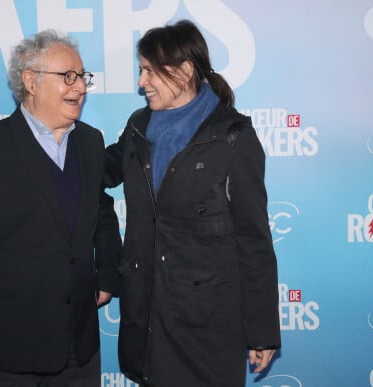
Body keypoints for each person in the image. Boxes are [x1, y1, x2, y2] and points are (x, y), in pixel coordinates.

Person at [0, 29, 121, 387]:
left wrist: (108, 274)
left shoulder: (90, 142)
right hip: (5, 356)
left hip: (78, 352)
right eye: (67, 77)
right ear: (30, 81)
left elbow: (102, 213)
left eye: (82, 77)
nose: (79, 87)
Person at [104, 20, 281, 387]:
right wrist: (52, 144)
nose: (142, 82)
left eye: (150, 71)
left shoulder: (232, 137)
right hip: (146, 316)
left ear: (185, 71)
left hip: (207, 326)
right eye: (141, 70)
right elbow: (100, 172)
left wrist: (262, 329)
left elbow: (253, 240)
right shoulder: (138, 126)